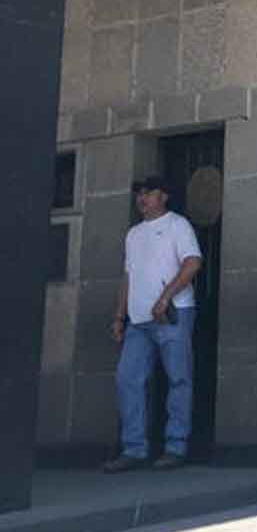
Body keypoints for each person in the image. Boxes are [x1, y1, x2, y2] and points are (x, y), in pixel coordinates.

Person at [102, 177, 203, 473]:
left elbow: (193, 263)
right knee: (127, 379)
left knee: (178, 379)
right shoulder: (133, 234)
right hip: (138, 320)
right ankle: (134, 448)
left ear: (164, 196)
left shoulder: (178, 225)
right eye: (139, 194)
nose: (142, 199)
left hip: (173, 314)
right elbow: (128, 277)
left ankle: (176, 446)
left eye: (149, 193)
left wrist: (165, 297)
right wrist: (119, 316)